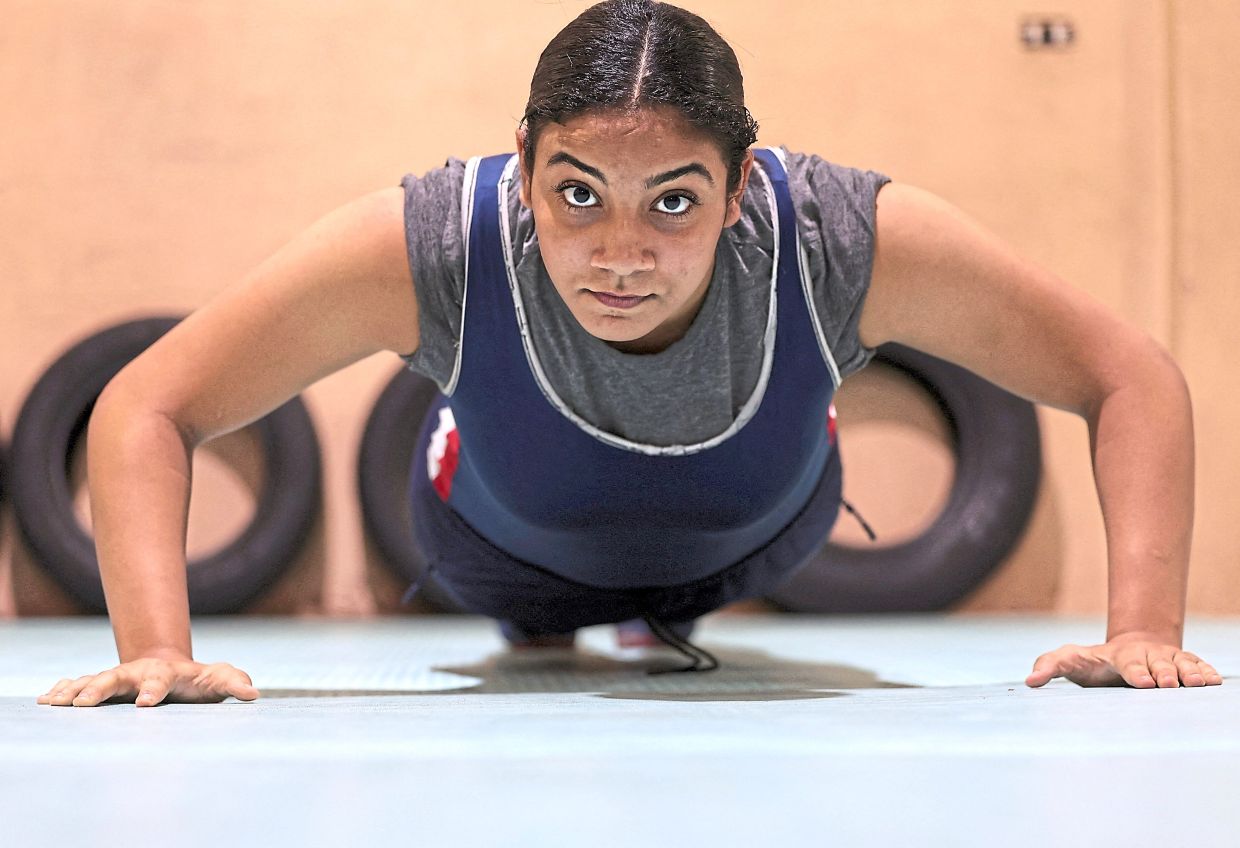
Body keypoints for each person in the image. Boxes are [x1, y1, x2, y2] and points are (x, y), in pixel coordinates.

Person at [38, 0, 1220, 707]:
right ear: (524, 159)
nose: (618, 250)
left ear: (742, 185)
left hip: (761, 536)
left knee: (686, 569)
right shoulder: (440, 237)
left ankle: (649, 608)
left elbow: (1128, 375)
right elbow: (148, 403)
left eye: (671, 203)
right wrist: (159, 652)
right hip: (495, 555)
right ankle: (564, 620)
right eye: (576, 192)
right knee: (540, 626)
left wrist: (1142, 632)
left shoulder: (841, 234)